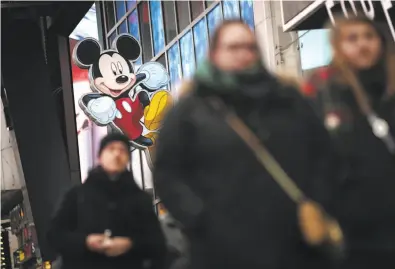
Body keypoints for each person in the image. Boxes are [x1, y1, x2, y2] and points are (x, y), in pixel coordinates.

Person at [154, 20, 340, 269]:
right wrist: (201, 219)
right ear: (214, 53)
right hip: (222, 250)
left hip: (294, 243)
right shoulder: (190, 110)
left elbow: (323, 154)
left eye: (250, 47)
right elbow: (168, 173)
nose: (243, 54)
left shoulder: (288, 98)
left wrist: (317, 200)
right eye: (233, 47)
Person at [302, 15, 395, 269]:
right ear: (337, 45)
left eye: (369, 36)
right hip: (352, 228)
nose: (363, 44)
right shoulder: (323, 90)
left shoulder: (390, 86)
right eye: (352, 38)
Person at [47, 133, 166, 269]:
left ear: (128, 159)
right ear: (100, 156)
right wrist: (86, 242)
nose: (116, 154)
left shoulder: (140, 200)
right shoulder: (76, 196)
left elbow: (157, 244)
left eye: (122, 150)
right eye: (111, 149)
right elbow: (54, 235)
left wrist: (130, 244)